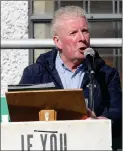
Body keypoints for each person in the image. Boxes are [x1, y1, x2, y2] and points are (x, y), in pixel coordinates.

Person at [19, 5, 122, 149]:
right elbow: (19, 118)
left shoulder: (106, 75)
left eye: (85, 31)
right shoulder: (34, 74)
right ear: (57, 41)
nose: (82, 38)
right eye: (73, 33)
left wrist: (99, 122)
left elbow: (117, 115)